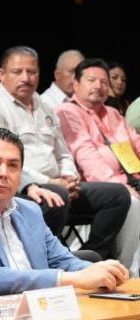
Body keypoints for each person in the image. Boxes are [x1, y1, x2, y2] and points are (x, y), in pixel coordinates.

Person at [0, 129, 130, 298]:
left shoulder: (29, 210)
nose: (4, 173)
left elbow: (62, 260)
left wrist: (102, 271)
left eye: (13, 165)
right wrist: (75, 279)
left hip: (41, 314)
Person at [0, 46, 132, 262]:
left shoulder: (45, 106)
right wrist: (51, 182)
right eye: (17, 72)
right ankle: (46, 260)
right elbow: (3, 162)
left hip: (62, 186)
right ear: (2, 75)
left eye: (32, 72)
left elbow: (63, 152)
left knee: (117, 195)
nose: (26, 78)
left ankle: (89, 258)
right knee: (56, 196)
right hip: (25, 189)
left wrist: (69, 177)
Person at [54, 58, 140, 272]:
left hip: (132, 178)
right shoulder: (67, 111)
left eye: (103, 82)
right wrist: (121, 186)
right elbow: (87, 158)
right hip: (96, 186)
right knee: (131, 200)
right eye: (91, 80)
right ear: (76, 83)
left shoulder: (113, 113)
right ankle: (128, 272)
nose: (99, 86)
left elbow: (136, 144)